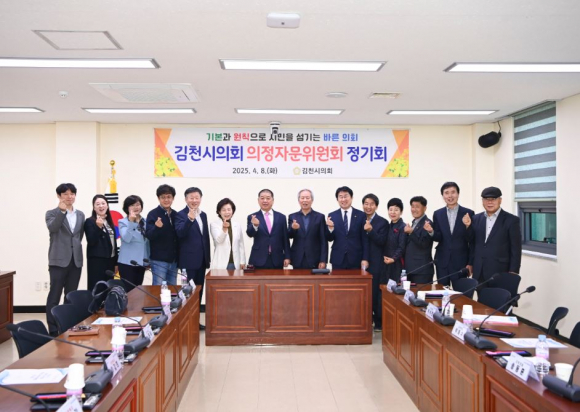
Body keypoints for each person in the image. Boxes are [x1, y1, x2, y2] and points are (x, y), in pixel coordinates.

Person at [45, 183, 85, 336]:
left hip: (76, 260)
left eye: (72, 194)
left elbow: (78, 237)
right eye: (65, 194)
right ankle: (53, 329)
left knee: (70, 295)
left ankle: (67, 325)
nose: (69, 197)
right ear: (59, 196)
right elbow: (53, 228)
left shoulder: (80, 215)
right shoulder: (51, 213)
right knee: (54, 296)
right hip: (58, 260)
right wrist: (62, 212)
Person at [465, 187, 522, 283]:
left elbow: (516, 247)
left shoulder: (511, 220)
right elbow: (472, 244)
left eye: (493, 199)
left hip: (501, 271)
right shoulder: (475, 219)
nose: (489, 202)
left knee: (499, 293)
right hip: (479, 270)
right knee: (480, 293)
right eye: (486, 199)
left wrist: (514, 270)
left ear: (500, 200)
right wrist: (470, 263)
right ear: (482, 201)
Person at [425, 182, 474, 287]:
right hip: (442, 261)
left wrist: (468, 226)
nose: (450, 196)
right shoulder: (438, 214)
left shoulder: (468, 213)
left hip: (461, 262)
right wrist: (431, 231)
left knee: (460, 293)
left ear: (458, 194)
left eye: (453, 192)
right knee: (442, 291)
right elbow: (438, 237)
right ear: (443, 196)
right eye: (446, 193)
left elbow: (472, 239)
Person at [175, 187, 211, 329]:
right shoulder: (180, 215)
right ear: (186, 199)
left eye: (197, 198)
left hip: (201, 260)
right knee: (188, 293)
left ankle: (195, 322)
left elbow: (205, 238)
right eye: (191, 198)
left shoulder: (203, 215)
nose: (194, 200)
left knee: (199, 292)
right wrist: (190, 219)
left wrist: (207, 258)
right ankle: (186, 323)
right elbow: (180, 233)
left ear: (200, 199)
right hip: (188, 261)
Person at [362, 193, 388, 331]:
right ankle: (365, 321)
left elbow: (382, 241)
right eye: (366, 204)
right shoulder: (359, 219)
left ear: (376, 206)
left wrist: (371, 230)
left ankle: (378, 322)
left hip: (376, 262)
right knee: (362, 293)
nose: (368, 206)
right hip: (361, 261)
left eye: (371, 204)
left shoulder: (382, 222)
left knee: (375, 293)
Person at [325, 186, 369, 269]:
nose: (343, 199)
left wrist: (365, 258)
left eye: (346, 196)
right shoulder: (332, 215)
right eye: (340, 197)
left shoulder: (361, 215)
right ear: (337, 199)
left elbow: (365, 239)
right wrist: (330, 228)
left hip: (356, 258)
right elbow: (329, 238)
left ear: (351, 198)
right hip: (337, 258)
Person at [246, 189, 291, 269]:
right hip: (258, 258)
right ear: (258, 200)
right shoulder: (252, 217)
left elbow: (285, 238)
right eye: (262, 198)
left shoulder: (281, 217)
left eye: (268, 198)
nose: (265, 201)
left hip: (277, 258)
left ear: (272, 200)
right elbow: (249, 234)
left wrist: (287, 256)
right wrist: (255, 225)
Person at [146, 184, 179, 285]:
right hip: (158, 261)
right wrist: (156, 227)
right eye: (163, 197)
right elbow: (149, 235)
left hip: (174, 260)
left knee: (173, 289)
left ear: (173, 198)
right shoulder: (153, 214)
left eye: (169, 197)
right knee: (158, 289)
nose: (166, 200)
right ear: (158, 198)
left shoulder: (176, 214)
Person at [287, 189, 328, 269]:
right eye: (302, 198)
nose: (305, 200)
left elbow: (323, 240)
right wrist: (293, 228)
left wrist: (323, 260)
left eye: (307, 198)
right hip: (297, 257)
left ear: (312, 200)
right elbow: (289, 236)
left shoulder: (320, 217)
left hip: (315, 257)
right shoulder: (292, 216)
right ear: (299, 200)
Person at [84, 195, 118, 291]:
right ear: (94, 207)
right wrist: (98, 227)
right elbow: (91, 241)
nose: (101, 206)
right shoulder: (90, 221)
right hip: (97, 262)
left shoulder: (109, 221)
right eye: (98, 204)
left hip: (110, 261)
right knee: (97, 289)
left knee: (109, 288)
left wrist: (116, 262)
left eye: (103, 203)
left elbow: (113, 243)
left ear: (107, 206)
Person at [118, 195, 150, 292]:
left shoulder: (145, 221)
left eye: (138, 204)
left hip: (141, 262)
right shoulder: (123, 222)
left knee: (138, 291)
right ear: (127, 208)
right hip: (127, 262)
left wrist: (148, 260)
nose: (136, 207)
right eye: (132, 205)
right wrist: (131, 222)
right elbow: (126, 238)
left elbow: (147, 242)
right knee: (129, 292)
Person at [404, 196, 434, 284]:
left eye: (417, 207)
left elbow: (424, 244)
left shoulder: (427, 223)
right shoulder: (414, 222)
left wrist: (411, 232)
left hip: (422, 270)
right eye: (412, 206)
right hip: (411, 269)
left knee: (421, 293)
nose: (414, 209)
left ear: (425, 208)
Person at [210, 198, 246, 270]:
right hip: (221, 262)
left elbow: (241, 244)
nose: (227, 212)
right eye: (223, 210)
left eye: (229, 209)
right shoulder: (214, 224)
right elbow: (219, 241)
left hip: (236, 262)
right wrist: (224, 229)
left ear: (232, 211)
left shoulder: (237, 225)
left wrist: (242, 261)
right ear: (219, 212)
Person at [383, 198, 407, 282]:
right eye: (390, 209)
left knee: (396, 286)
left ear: (401, 211)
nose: (393, 212)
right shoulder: (387, 226)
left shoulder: (403, 227)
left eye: (396, 210)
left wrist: (393, 258)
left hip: (397, 263)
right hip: (386, 262)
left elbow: (402, 247)